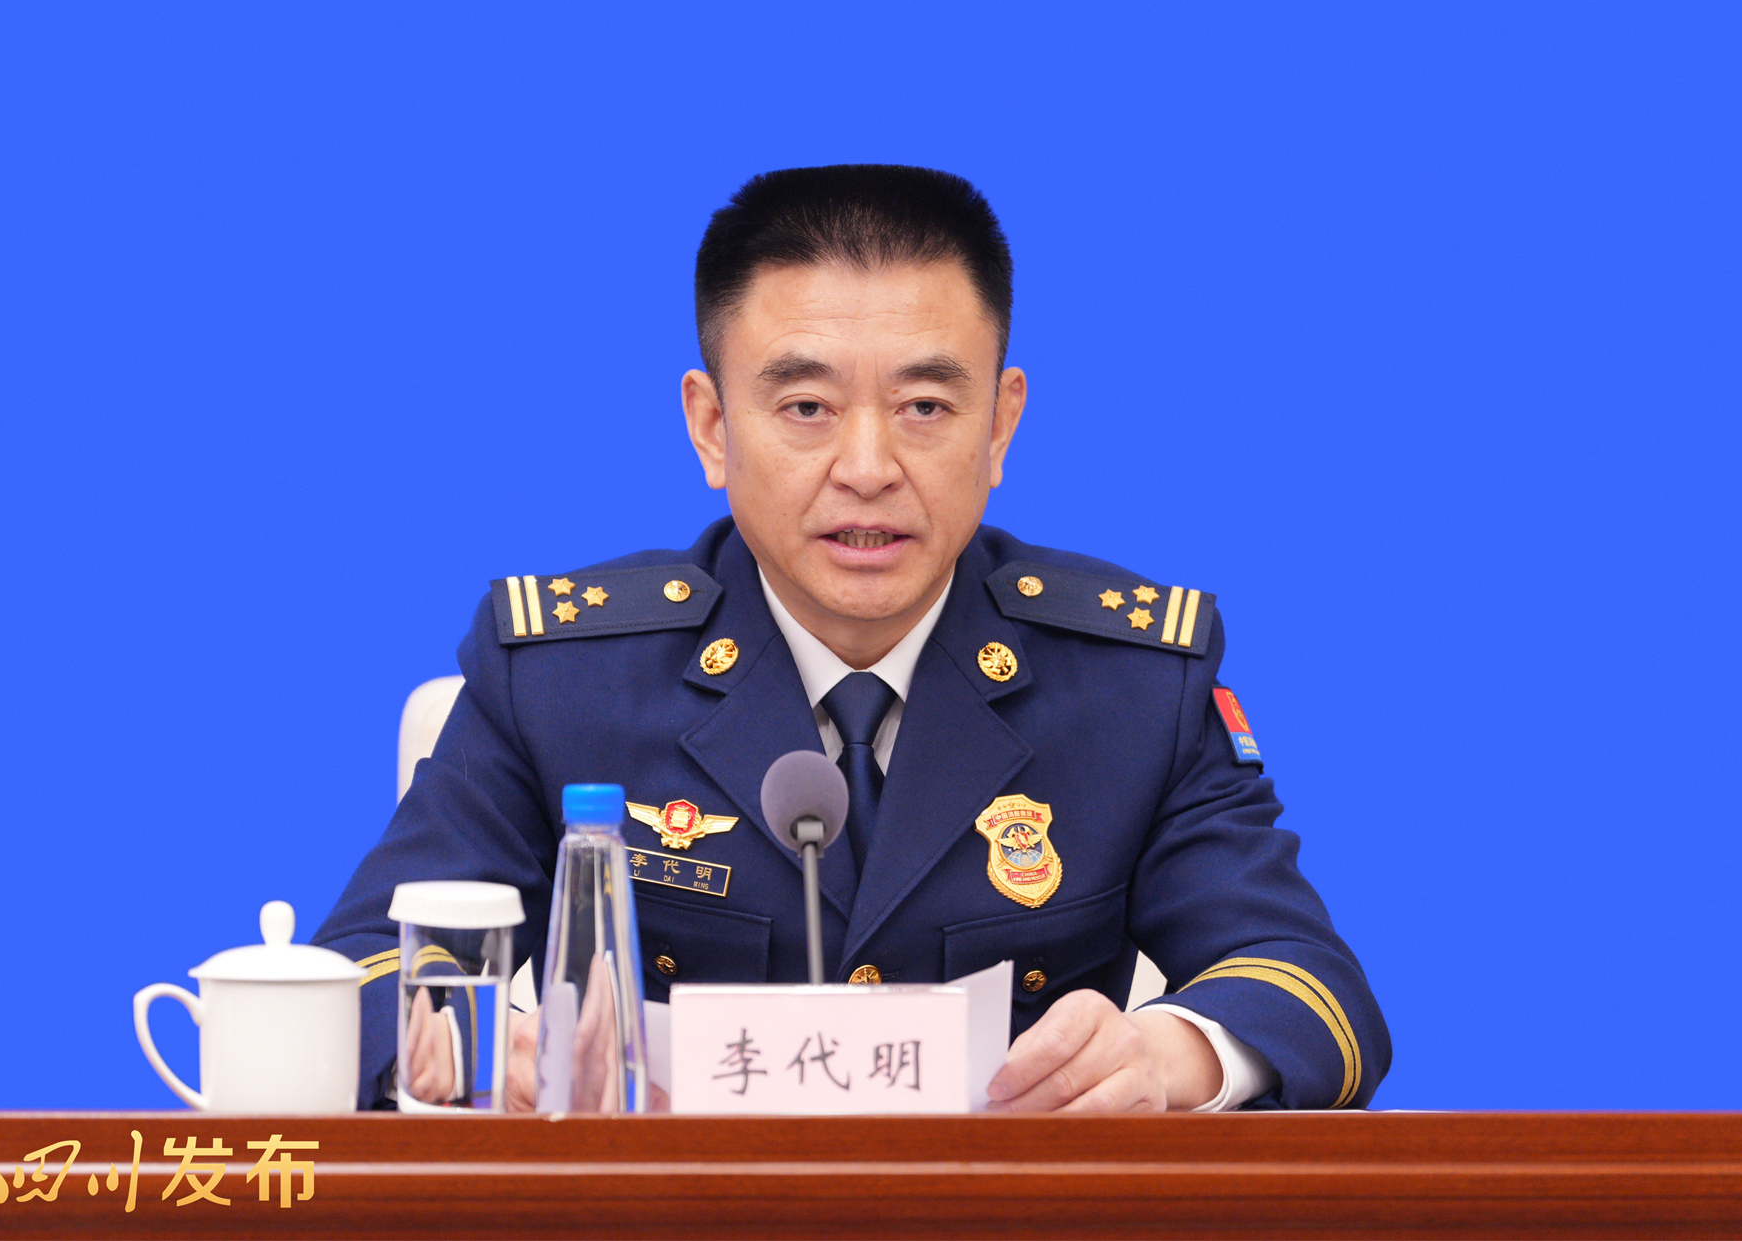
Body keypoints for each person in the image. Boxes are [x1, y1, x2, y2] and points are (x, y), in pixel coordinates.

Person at [316, 165, 1389, 1113]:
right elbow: (360, 969)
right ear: (711, 427)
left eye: (924, 406)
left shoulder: (1130, 685)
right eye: (806, 407)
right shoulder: (563, 678)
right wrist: (475, 1047)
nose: (868, 467)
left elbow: (1309, 987)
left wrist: (1171, 1053)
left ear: (1000, 423)